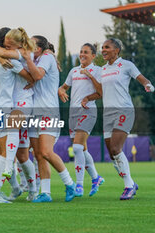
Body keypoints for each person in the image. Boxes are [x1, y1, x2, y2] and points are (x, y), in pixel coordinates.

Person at [0, 27, 38, 201]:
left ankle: (11, 188)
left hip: (1, 107)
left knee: (7, 152)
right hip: (4, 107)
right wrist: (30, 80)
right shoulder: (9, 61)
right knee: (10, 154)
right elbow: (31, 78)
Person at [21, 35, 77, 203]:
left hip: (47, 112)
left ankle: (70, 183)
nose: (27, 48)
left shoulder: (46, 57)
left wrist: (27, 61)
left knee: (46, 152)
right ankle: (45, 193)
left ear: (38, 48)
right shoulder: (37, 59)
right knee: (38, 155)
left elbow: (37, 76)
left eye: (30, 45)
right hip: (33, 113)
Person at [100, 38, 155, 200]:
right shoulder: (102, 69)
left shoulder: (126, 65)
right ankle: (130, 182)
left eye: (107, 47)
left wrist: (147, 85)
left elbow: (142, 78)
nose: (103, 50)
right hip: (107, 114)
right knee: (112, 154)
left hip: (124, 110)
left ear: (117, 50)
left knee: (116, 149)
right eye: (102, 47)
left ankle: (128, 185)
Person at [58, 43, 105, 197]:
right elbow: (64, 87)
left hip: (88, 111)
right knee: (82, 150)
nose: (82, 54)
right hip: (73, 113)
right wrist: (61, 90)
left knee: (77, 149)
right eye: (81, 52)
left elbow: (101, 92)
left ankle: (79, 186)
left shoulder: (97, 71)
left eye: (86, 52)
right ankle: (96, 178)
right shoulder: (73, 71)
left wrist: (90, 76)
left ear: (93, 56)